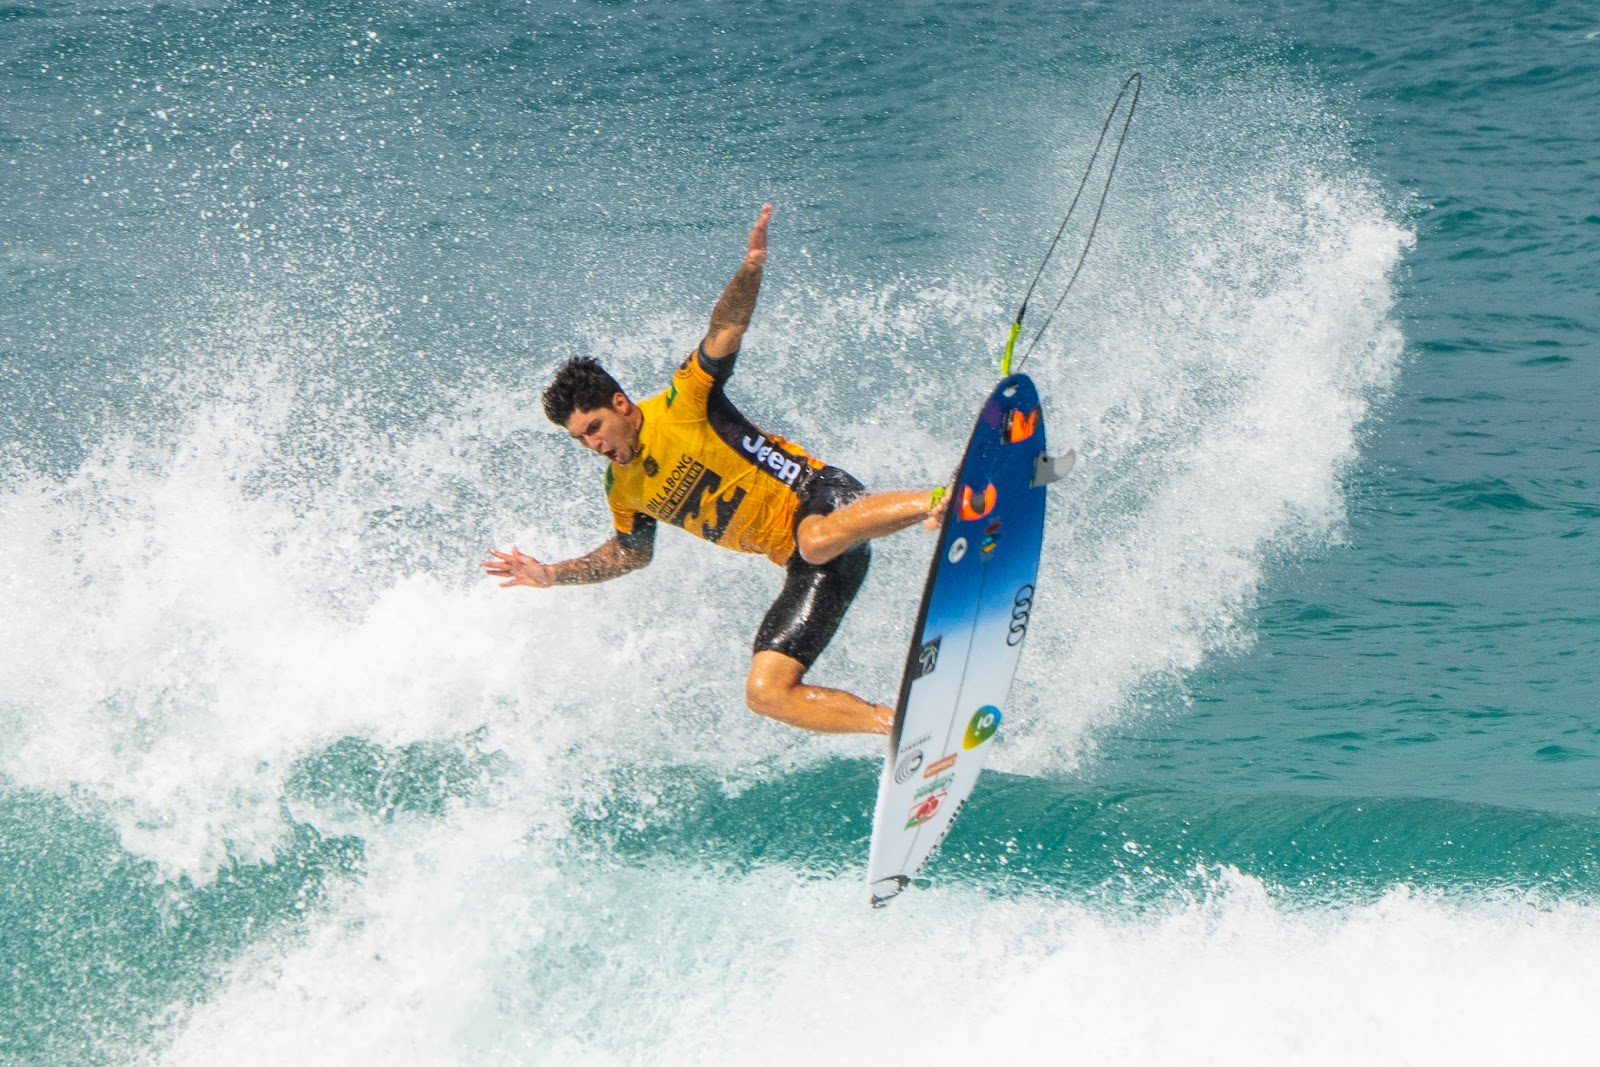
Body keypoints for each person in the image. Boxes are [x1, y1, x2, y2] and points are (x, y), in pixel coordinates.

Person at [481, 204, 946, 735]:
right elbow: (629, 555)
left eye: (594, 428)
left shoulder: (684, 401)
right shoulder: (623, 488)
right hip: (810, 563)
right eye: (579, 439)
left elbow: (725, 327)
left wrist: (750, 269)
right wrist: (551, 575)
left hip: (824, 499)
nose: (592, 445)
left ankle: (942, 499)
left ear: (621, 403)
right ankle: (902, 727)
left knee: (814, 538)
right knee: (766, 694)